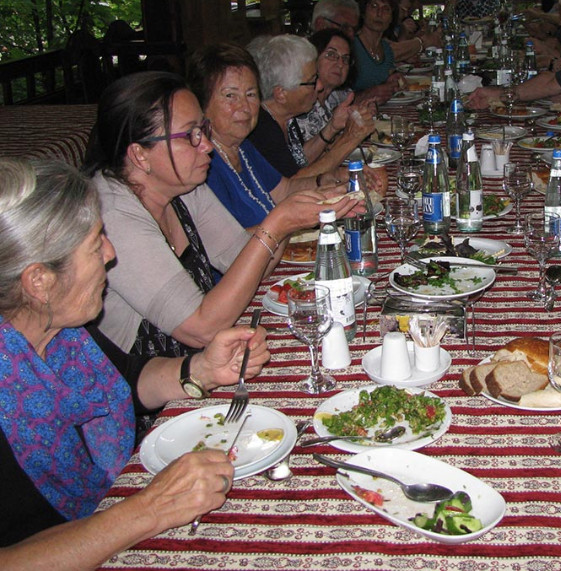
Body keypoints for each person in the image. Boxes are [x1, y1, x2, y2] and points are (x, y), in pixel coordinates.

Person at [0, 158, 270, 561]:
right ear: (40, 281)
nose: (110, 254)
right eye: (95, 245)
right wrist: (147, 510)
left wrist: (200, 369)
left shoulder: (64, 333)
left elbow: (127, 379)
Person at [83, 71, 358, 358]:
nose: (207, 145)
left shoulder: (183, 186)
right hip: (152, 390)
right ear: (140, 155)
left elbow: (245, 258)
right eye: (190, 135)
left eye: (202, 130)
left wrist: (299, 212)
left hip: (204, 363)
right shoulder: (113, 216)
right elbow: (200, 328)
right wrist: (279, 224)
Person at [188, 42, 363, 228]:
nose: (244, 107)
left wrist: (327, 181)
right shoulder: (204, 166)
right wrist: (289, 222)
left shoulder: (243, 147)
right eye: (230, 96)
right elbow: (227, 246)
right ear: (202, 103)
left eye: (250, 94)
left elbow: (284, 190)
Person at [246, 34, 376, 182]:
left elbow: (299, 163)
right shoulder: (262, 132)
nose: (319, 86)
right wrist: (350, 138)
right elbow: (293, 184)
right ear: (281, 94)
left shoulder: (285, 118)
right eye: (312, 82)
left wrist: (332, 127)